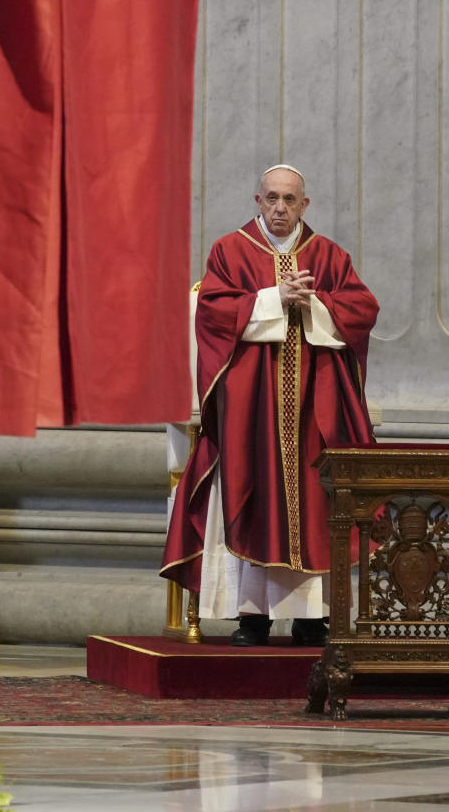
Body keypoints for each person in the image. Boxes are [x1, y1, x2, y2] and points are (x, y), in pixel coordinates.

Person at [161, 164, 378, 646]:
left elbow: (362, 308)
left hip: (312, 411)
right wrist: (272, 299)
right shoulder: (230, 251)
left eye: (290, 200)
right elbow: (214, 312)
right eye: (271, 198)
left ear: (305, 204)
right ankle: (252, 618)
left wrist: (316, 304)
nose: (280, 208)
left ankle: (311, 619)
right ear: (256, 201)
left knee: (314, 503)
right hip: (251, 408)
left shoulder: (328, 256)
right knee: (252, 495)